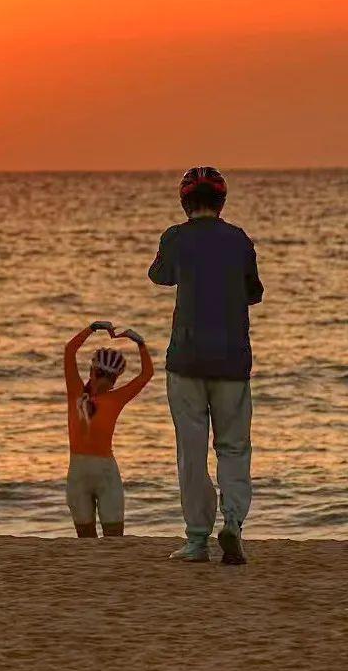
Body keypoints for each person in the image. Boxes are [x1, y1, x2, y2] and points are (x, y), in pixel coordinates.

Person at [149, 166, 264, 565]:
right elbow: (254, 292)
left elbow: (159, 276)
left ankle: (197, 540)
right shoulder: (239, 240)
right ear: (221, 201)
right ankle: (232, 523)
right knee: (234, 447)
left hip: (186, 359)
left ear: (185, 202)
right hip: (233, 361)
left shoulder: (175, 238)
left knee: (191, 452)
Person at [64, 320, 154, 537]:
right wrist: (92, 328)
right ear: (92, 371)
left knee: (114, 539)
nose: (106, 380)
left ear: (115, 381)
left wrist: (141, 344)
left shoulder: (116, 398)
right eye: (102, 373)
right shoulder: (75, 390)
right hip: (78, 473)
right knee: (85, 540)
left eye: (111, 377)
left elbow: (146, 375)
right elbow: (69, 351)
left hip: (106, 473)